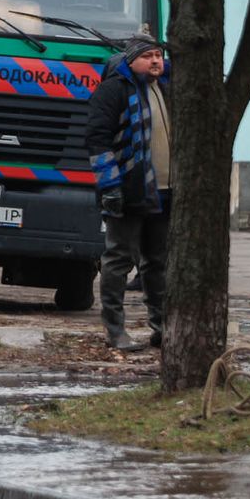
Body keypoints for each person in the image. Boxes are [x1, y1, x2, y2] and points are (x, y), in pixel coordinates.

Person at [84, 35, 171, 352]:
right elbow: (97, 139)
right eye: (148, 56)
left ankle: (162, 327)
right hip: (127, 189)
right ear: (131, 60)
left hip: (165, 191)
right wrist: (109, 186)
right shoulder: (114, 90)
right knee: (119, 260)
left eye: (159, 55)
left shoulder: (165, 86)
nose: (156, 61)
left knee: (158, 262)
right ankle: (115, 330)